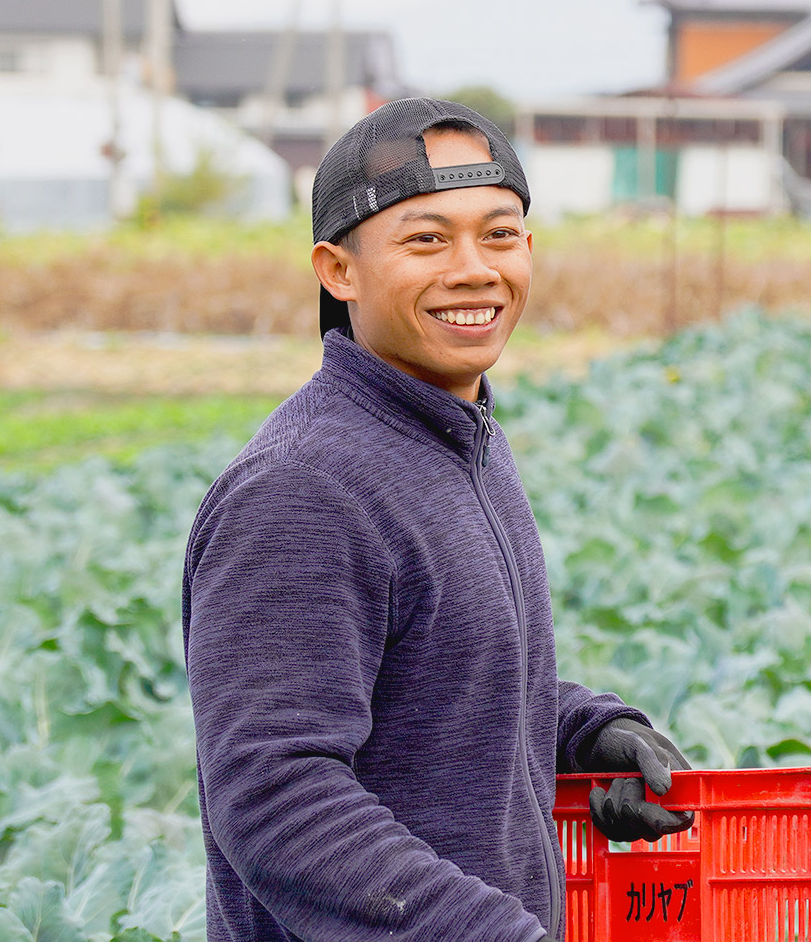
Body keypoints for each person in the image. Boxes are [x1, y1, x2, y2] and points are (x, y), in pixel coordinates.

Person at [183, 98, 693, 942]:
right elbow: (274, 792)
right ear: (337, 270)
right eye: (426, 240)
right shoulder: (302, 489)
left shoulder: (462, 438)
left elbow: (438, 669)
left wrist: (587, 729)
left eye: (499, 234)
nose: (474, 268)